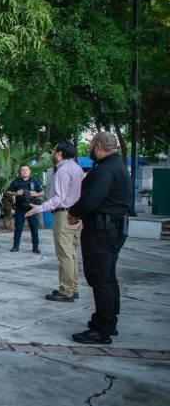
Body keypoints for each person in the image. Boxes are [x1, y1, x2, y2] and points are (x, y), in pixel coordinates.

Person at [67, 132, 130, 345]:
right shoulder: (118, 166)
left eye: (92, 145)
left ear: (99, 146)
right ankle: (107, 321)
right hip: (112, 229)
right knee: (107, 276)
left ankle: (102, 328)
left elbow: (91, 199)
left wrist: (74, 212)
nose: (90, 149)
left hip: (102, 231)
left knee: (100, 277)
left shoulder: (105, 170)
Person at [24, 140, 85, 302]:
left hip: (64, 216)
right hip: (76, 215)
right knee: (71, 254)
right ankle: (73, 287)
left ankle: (66, 290)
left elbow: (59, 198)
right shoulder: (77, 169)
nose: (52, 154)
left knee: (65, 254)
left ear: (59, 153)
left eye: (54, 151)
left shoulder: (63, 171)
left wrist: (39, 208)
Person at [7, 165, 44, 253]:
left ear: (29, 171)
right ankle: (16, 246)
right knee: (18, 227)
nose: (24, 171)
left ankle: (35, 247)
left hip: (32, 207)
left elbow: (42, 193)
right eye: (22, 170)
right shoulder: (16, 181)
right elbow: (8, 193)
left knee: (34, 227)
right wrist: (16, 193)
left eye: (26, 170)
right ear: (20, 172)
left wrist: (36, 194)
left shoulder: (34, 181)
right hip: (20, 208)